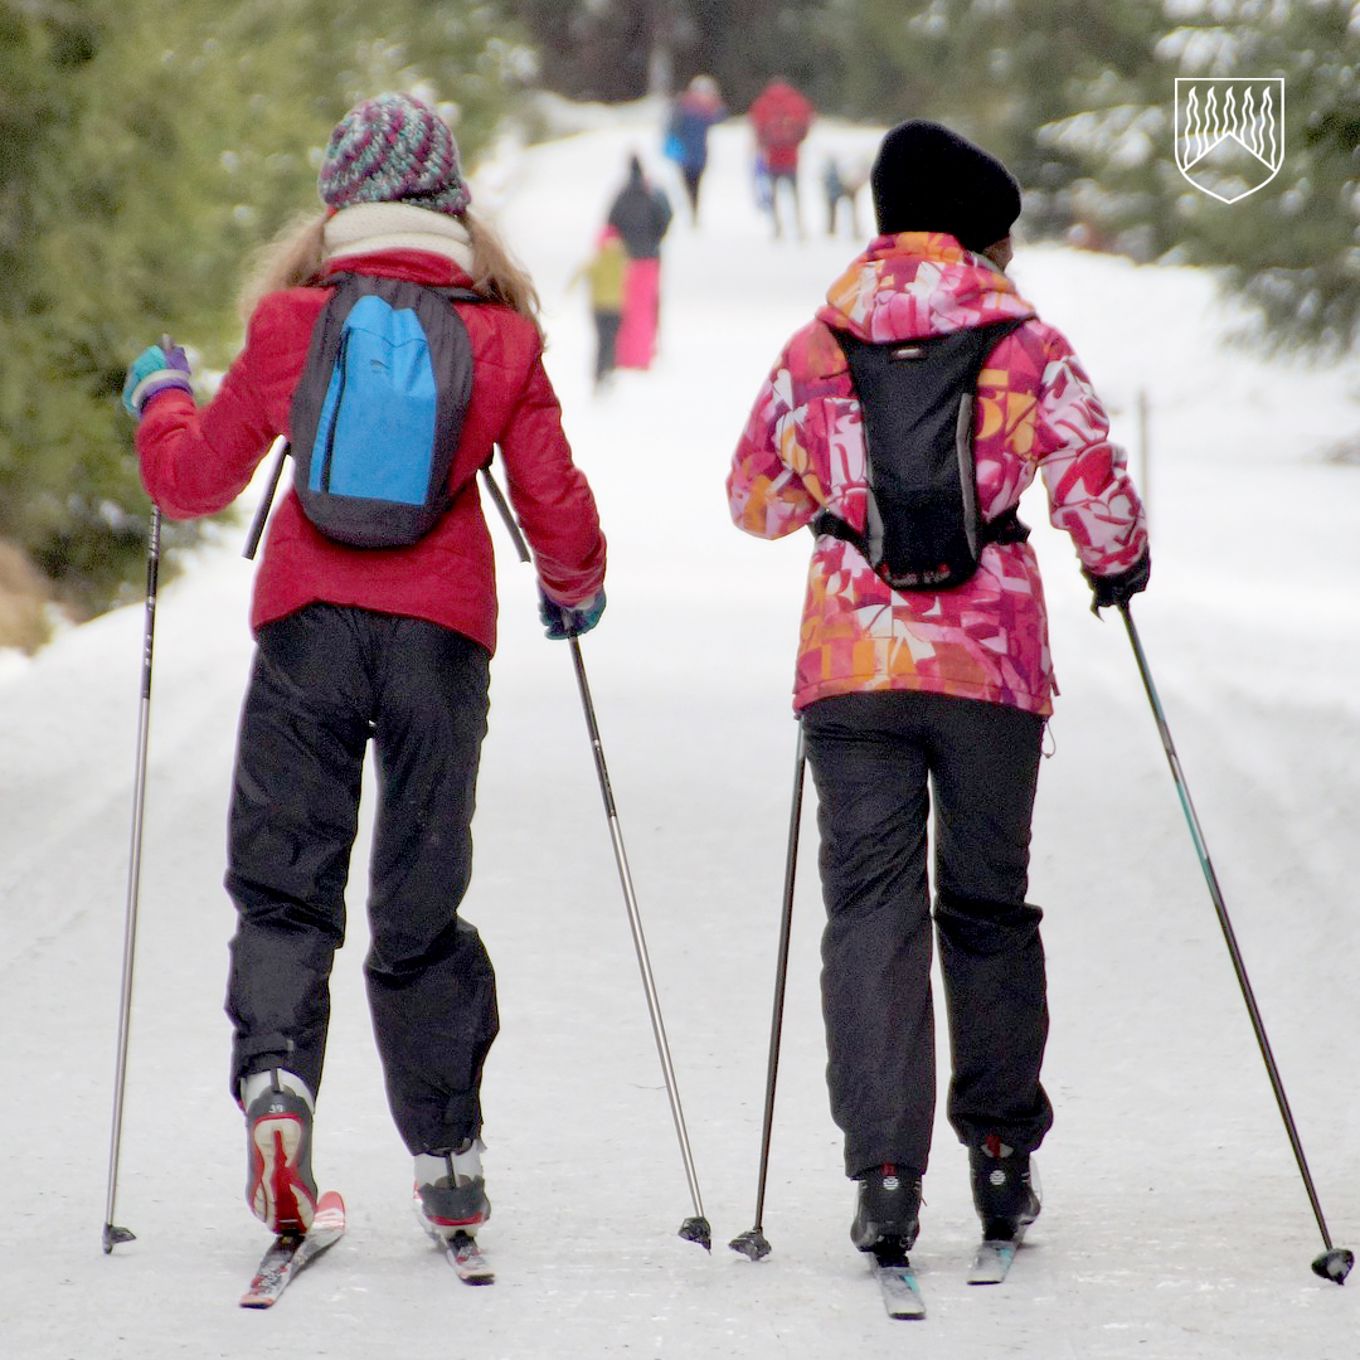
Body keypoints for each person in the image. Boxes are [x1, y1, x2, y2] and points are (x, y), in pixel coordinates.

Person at [121, 92, 607, 1251]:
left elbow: (191, 481)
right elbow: (557, 510)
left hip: (307, 625)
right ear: (449, 198)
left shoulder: (297, 321)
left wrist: (161, 401)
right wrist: (573, 587)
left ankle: (279, 1090)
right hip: (442, 640)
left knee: (287, 886)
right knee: (416, 900)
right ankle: (448, 1152)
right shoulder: (501, 334)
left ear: (339, 196)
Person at [726, 119, 1149, 1263]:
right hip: (989, 666)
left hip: (852, 667)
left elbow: (750, 499)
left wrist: (836, 499)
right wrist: (1117, 563)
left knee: (869, 909)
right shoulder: (1023, 337)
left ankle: (883, 1174)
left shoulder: (819, 341)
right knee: (986, 903)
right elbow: (1093, 477)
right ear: (980, 233)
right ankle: (1002, 1159)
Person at [606, 154, 673, 370]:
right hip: (650, 257)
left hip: (627, 260)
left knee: (628, 307)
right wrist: (655, 239)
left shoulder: (621, 195)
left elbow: (611, 223)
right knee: (649, 305)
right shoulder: (653, 192)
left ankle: (626, 354)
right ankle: (646, 352)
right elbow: (665, 217)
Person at [747, 78, 814, 240]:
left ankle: (777, 227)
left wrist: (760, 145)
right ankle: (799, 226)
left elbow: (756, 126)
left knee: (774, 195)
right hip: (791, 157)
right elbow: (806, 124)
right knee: (795, 194)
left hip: (772, 157)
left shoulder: (763, 103)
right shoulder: (797, 101)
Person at [570, 225, 628, 390]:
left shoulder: (600, 260)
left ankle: (602, 372)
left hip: (601, 307)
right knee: (609, 340)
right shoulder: (620, 260)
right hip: (612, 307)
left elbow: (580, 273)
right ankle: (607, 370)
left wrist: (570, 289)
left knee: (604, 340)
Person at [664, 74, 726, 225]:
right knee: (691, 184)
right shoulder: (689, 107)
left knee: (692, 184)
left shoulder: (685, 106)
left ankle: (692, 210)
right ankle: (692, 211)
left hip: (693, 153)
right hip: (690, 152)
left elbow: (720, 117)